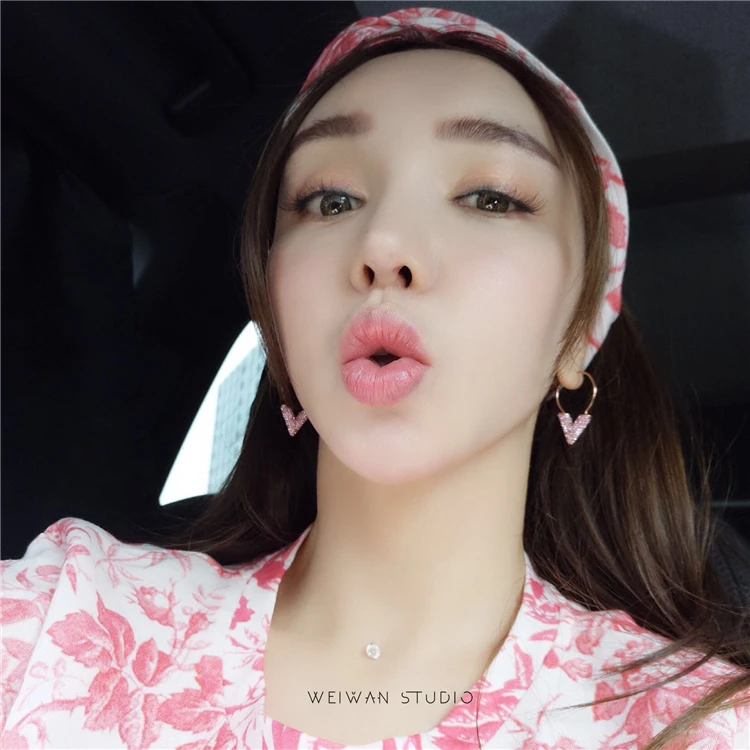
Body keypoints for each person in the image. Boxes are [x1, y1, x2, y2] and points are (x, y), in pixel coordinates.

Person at [2, 7, 749, 750]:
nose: (384, 245)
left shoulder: (695, 725)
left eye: (490, 197)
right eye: (331, 200)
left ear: (580, 329)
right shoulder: (60, 624)